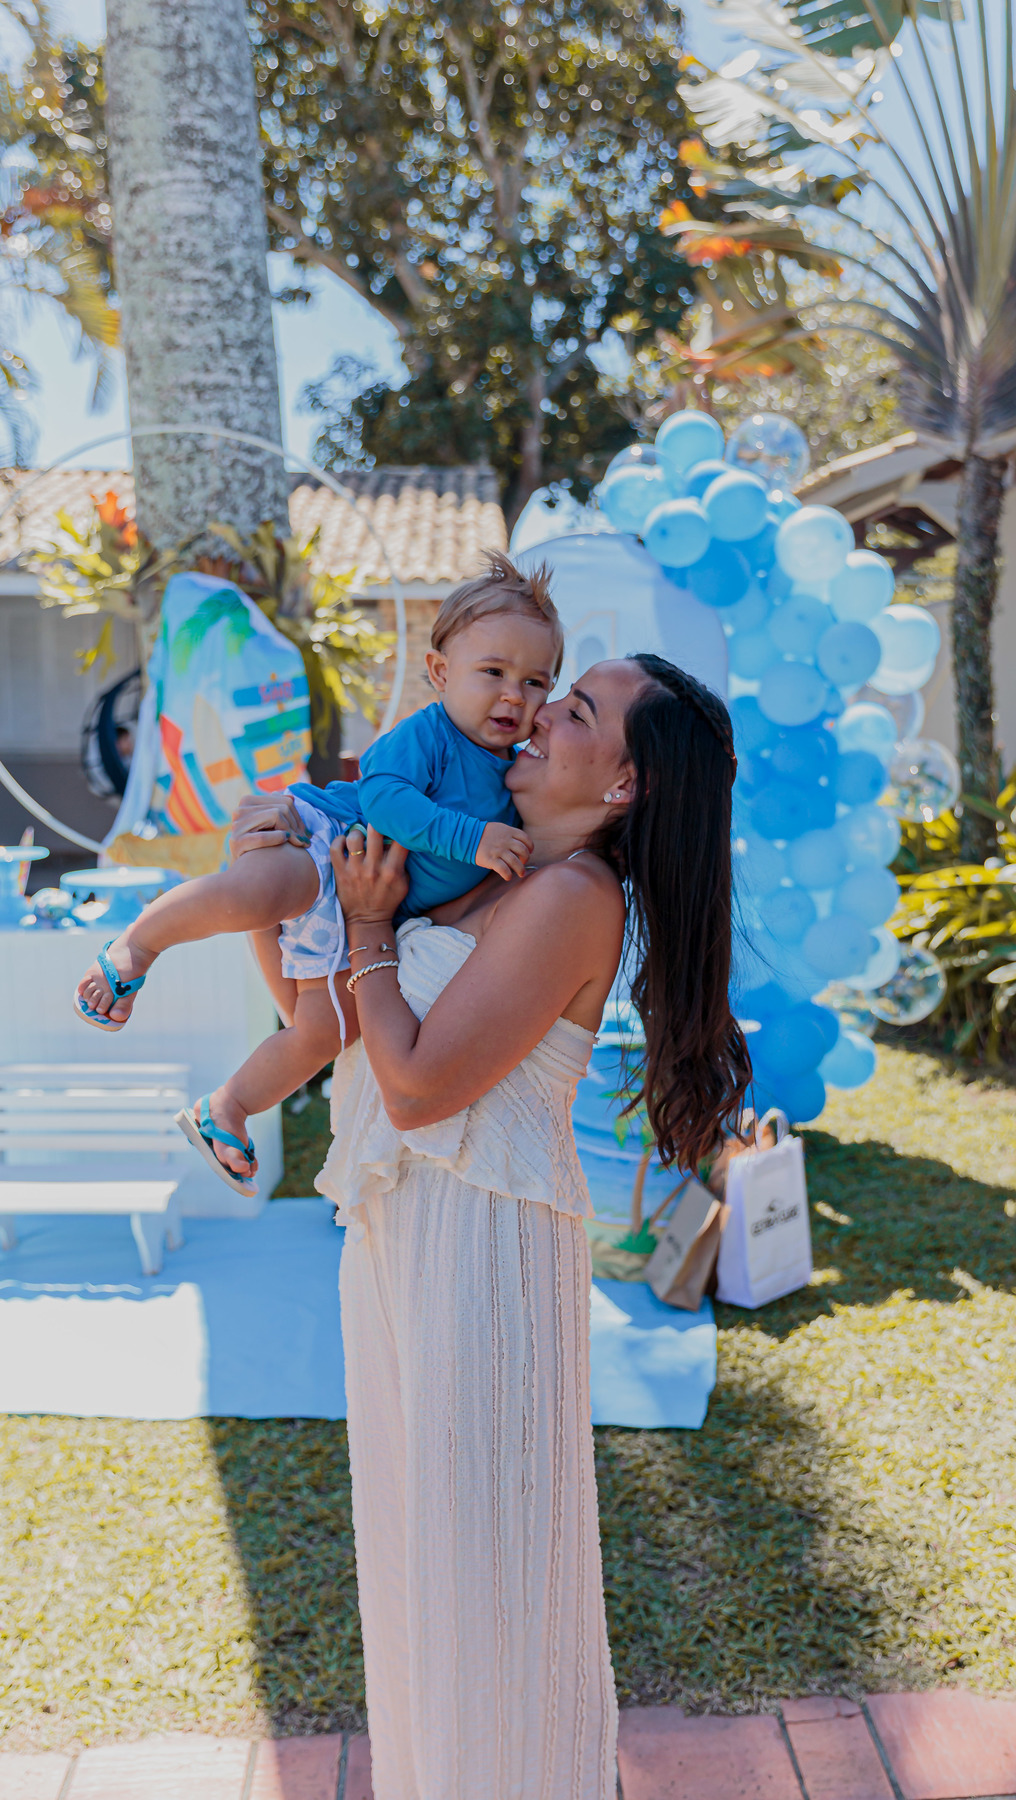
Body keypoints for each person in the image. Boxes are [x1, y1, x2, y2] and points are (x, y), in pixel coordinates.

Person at [228, 652, 751, 1800]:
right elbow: (330, 1026)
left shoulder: (575, 898)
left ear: (623, 784)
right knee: (418, 1567)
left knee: (484, 1586)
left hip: (479, 1258)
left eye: (575, 710)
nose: (535, 715)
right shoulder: (478, 874)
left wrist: (371, 927)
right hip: (400, 1241)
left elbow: (418, 1087)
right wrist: (274, 879)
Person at [71, 553, 561, 1196]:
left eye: (535, 682)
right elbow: (385, 798)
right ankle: (137, 945)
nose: (514, 695)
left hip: (358, 907)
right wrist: (474, 840)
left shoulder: (514, 775)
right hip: (328, 839)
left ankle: (226, 1109)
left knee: (326, 1030)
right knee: (255, 893)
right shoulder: (433, 733)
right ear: (441, 673)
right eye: (493, 671)